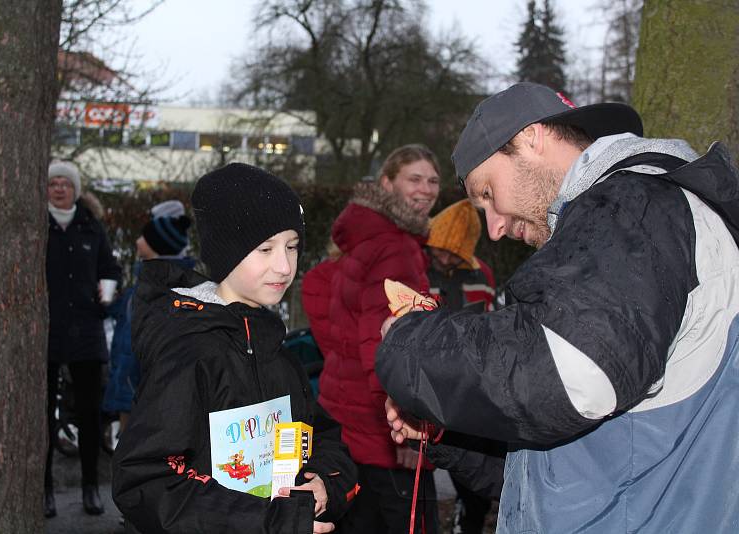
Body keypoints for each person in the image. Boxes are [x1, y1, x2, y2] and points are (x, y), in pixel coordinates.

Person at [377, 82, 739, 533]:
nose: (494, 228)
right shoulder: (622, 225)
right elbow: (568, 461)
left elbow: (571, 374)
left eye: (487, 193)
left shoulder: (633, 207)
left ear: (532, 137)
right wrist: (449, 431)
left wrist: (408, 342)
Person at [112, 163, 357, 534]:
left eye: (292, 247)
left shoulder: (272, 346)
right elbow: (144, 482)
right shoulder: (189, 352)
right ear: (226, 251)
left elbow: (320, 436)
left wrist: (324, 482)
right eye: (265, 249)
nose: (284, 266)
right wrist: (268, 522)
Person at [302, 144, 441, 533]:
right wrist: (407, 433)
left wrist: (341, 356)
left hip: (347, 429)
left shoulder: (366, 237)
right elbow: (387, 351)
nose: (427, 189)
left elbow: (318, 290)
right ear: (386, 183)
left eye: (433, 181)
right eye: (414, 179)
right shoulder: (396, 248)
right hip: (385, 439)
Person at [45, 160, 121, 518]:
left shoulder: (92, 226)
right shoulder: (36, 225)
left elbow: (110, 268)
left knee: (91, 414)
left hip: (87, 331)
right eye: (53, 183)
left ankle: (91, 487)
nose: (59, 188)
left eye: (66, 183)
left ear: (76, 189)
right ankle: (44, 489)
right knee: (41, 414)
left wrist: (106, 294)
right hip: (44, 332)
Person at [425, 199, 502, 533]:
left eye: (452, 253)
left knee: (471, 471)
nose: (443, 259)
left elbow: (486, 323)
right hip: (426, 379)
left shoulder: (481, 274)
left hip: (466, 385)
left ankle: (467, 520)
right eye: (438, 251)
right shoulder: (414, 265)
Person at [102, 200, 195, 436]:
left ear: (156, 245)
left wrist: (127, 388)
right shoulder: (149, 284)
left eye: (143, 237)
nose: (136, 241)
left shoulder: (156, 287)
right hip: (141, 390)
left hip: (140, 392)